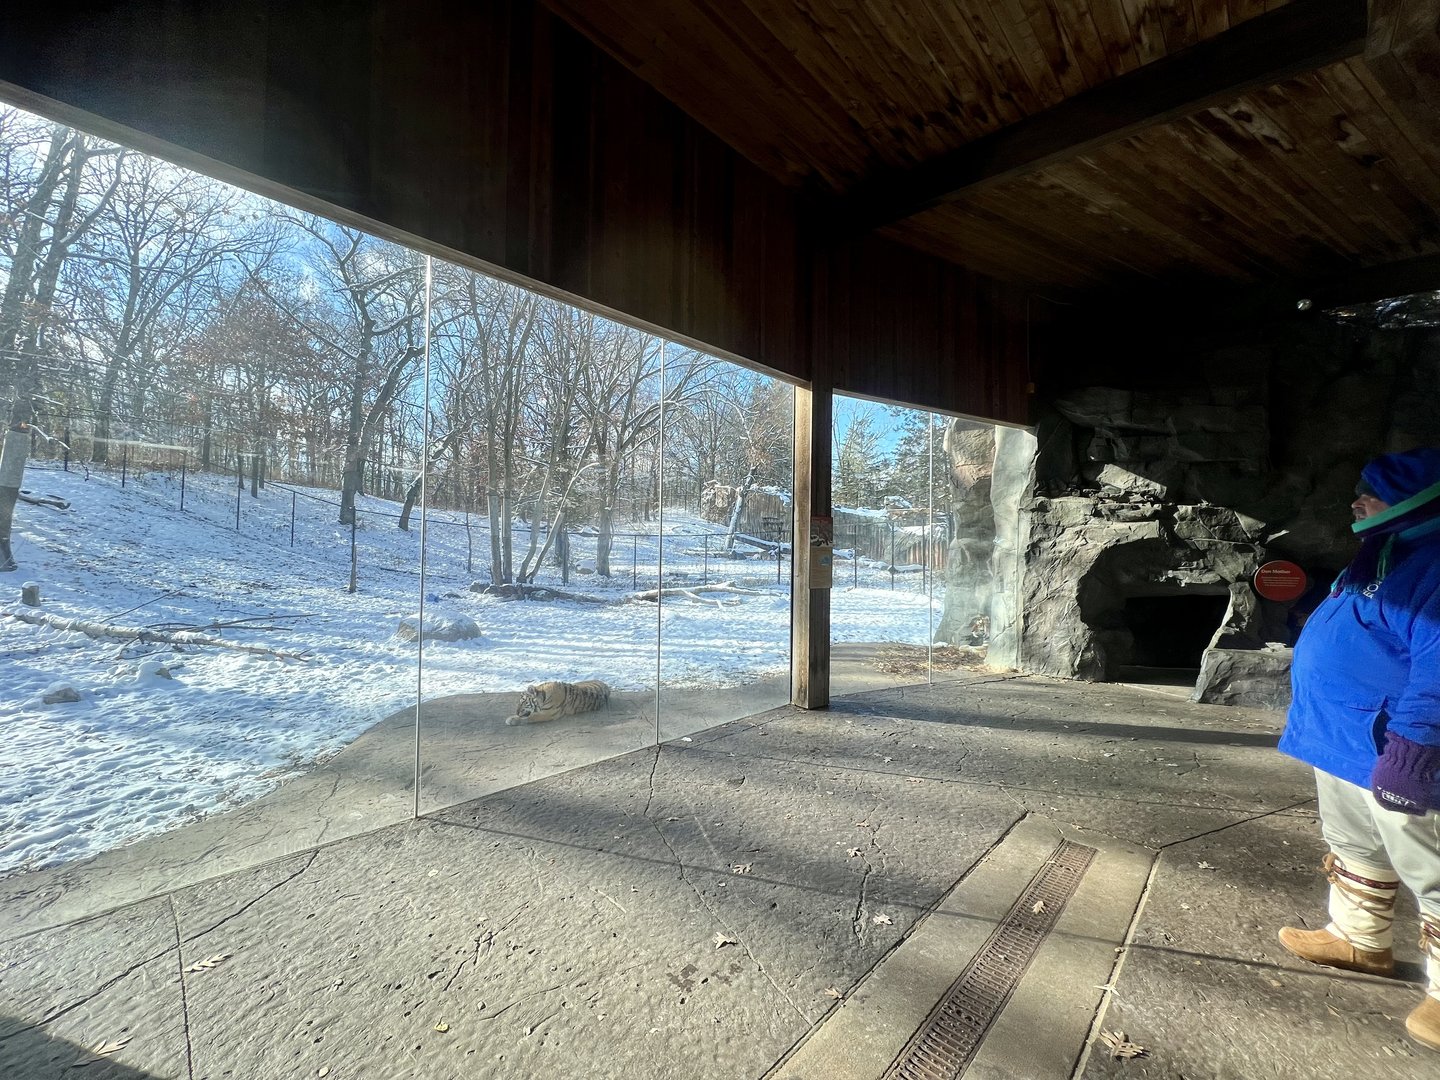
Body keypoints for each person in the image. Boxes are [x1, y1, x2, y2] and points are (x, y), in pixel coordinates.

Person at [1277, 446, 1440, 1052]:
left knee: (1434, 867)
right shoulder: (1389, 551)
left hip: (1400, 753)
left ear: (1421, 500)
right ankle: (1359, 939)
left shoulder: (1435, 565)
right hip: (1347, 741)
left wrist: (1415, 751)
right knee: (1354, 843)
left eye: (1374, 492)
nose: (1357, 501)